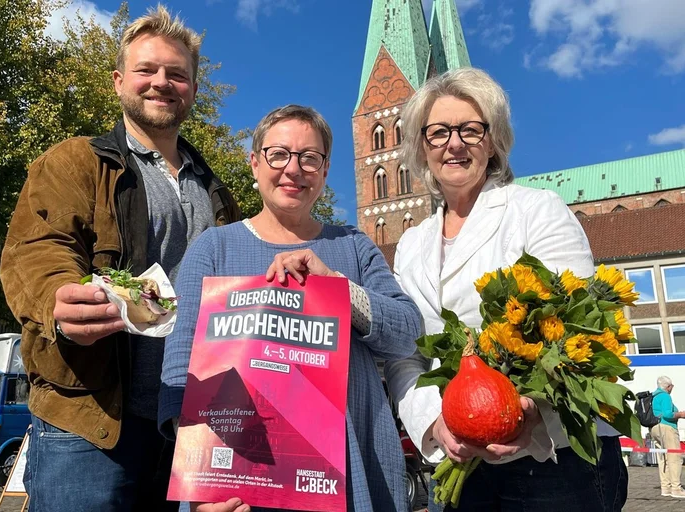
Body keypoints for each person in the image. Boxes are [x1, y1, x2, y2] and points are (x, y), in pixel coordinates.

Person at [0, 6, 240, 511]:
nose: (162, 83)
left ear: (194, 88)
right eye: (146, 70)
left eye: (177, 74)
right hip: (90, 420)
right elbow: (38, 249)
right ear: (118, 81)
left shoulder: (218, 193)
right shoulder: (74, 161)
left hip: (189, 425)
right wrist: (58, 299)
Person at [383, 67, 628, 511]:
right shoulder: (411, 244)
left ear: (493, 141)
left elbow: (576, 327)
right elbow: (406, 354)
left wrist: (529, 408)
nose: (454, 144)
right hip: (455, 450)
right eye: (438, 132)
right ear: (422, 147)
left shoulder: (536, 210)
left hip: (552, 461)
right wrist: (434, 424)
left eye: (470, 130)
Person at [158, 105, 422, 512]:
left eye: (309, 158)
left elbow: (408, 333)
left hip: (349, 477)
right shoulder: (214, 248)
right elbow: (181, 366)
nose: (293, 169)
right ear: (255, 162)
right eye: (278, 154)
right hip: (237, 485)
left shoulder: (354, 246)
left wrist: (337, 288)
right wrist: (200, 478)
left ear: (325, 170)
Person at [651, 376, 685, 498]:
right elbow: (668, 414)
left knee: (663, 458)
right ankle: (676, 488)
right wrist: (681, 414)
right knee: (674, 457)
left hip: (655, 428)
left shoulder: (654, 396)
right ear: (668, 386)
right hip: (667, 427)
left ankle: (665, 487)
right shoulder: (665, 396)